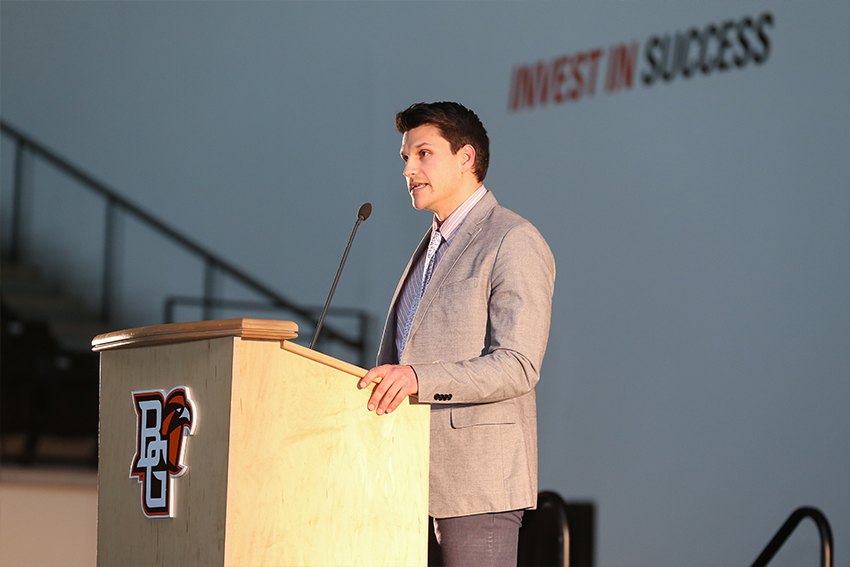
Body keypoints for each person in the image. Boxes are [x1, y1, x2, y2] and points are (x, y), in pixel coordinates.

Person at [357, 101, 555, 567]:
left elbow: (518, 365)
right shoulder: (430, 246)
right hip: (404, 482)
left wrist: (417, 378)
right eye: (405, 157)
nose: (408, 169)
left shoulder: (512, 239)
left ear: (466, 158)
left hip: (475, 485)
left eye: (423, 154)